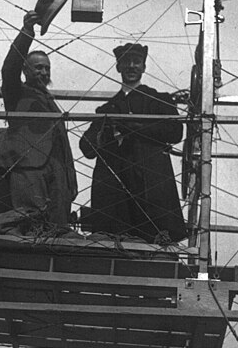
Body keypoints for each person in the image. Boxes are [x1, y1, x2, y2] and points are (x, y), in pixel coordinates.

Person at [79, 43, 187, 243]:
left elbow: (175, 132)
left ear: (144, 67)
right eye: (126, 62)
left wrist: (132, 127)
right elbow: (86, 148)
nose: (131, 66)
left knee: (153, 245)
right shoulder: (107, 108)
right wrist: (105, 133)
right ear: (118, 67)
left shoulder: (159, 100)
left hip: (149, 188)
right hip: (116, 195)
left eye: (136, 62)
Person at [0, 8, 78, 236]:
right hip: (28, 166)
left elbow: (62, 142)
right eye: (38, 67)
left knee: (58, 225)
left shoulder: (50, 101)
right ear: (26, 70)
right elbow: (10, 67)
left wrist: (69, 177)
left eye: (47, 68)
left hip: (56, 168)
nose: (44, 72)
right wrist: (27, 31)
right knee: (29, 218)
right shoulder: (16, 92)